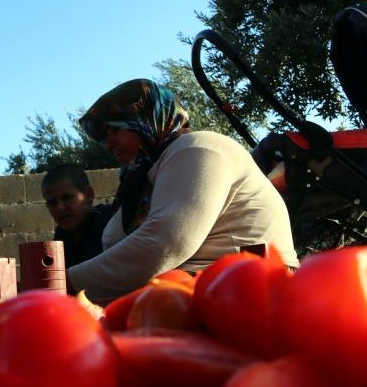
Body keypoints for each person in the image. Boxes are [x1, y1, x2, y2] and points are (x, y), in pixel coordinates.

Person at [67, 79, 299, 303]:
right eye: (103, 139)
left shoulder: (198, 149)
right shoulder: (144, 179)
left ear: (145, 118)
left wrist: (63, 282)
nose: (109, 144)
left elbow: (163, 244)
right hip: (195, 294)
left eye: (113, 131)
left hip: (243, 294)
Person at [41, 163, 113, 269]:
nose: (60, 207)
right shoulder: (62, 235)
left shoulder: (110, 222)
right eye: (52, 202)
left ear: (88, 195)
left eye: (67, 198)